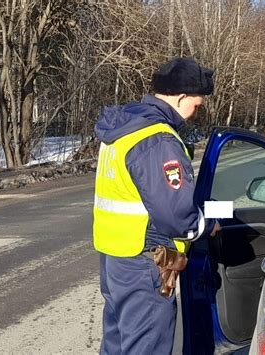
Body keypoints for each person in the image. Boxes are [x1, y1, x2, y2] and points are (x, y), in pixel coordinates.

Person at [93, 57, 220, 354]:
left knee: (118, 343)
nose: (194, 113)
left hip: (115, 259)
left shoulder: (123, 129)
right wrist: (206, 225)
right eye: (196, 105)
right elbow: (177, 215)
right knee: (146, 346)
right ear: (181, 97)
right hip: (144, 262)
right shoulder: (158, 139)